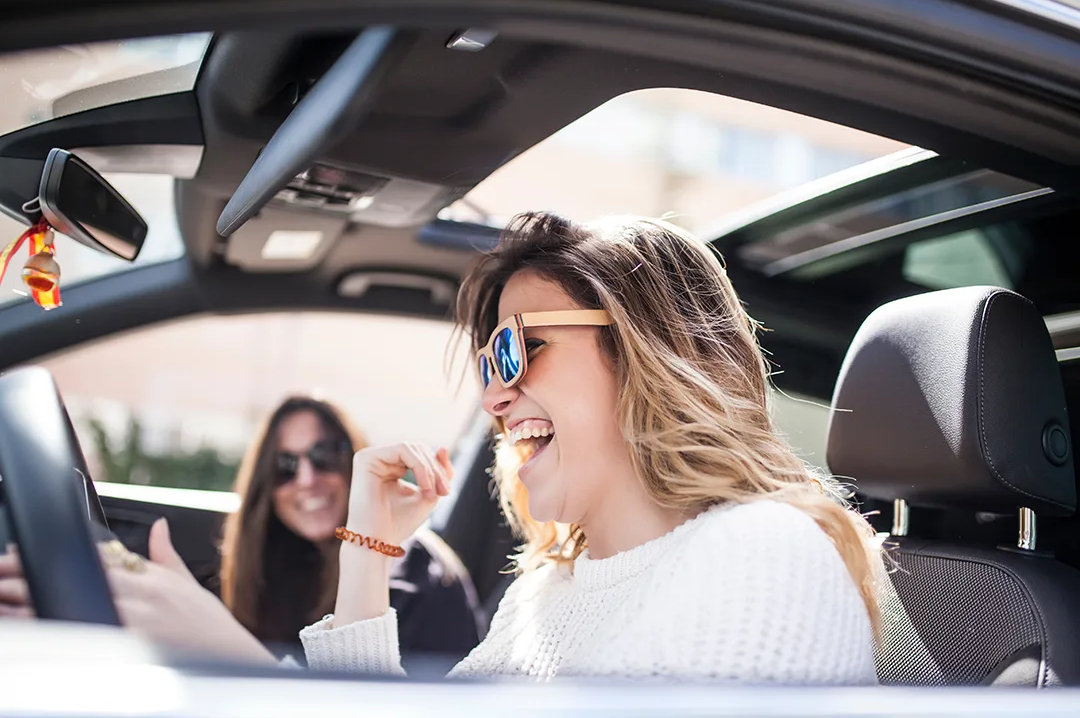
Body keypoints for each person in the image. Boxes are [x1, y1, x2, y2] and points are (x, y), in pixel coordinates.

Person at [0, 211, 883, 685]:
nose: (496, 393)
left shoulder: (765, 556)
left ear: (652, 350)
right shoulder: (549, 593)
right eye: (488, 357)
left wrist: (229, 662)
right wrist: (367, 548)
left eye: (518, 345)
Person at [219, 396, 484, 670]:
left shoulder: (416, 574)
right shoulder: (272, 563)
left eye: (323, 456)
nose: (307, 480)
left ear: (354, 463)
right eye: (284, 465)